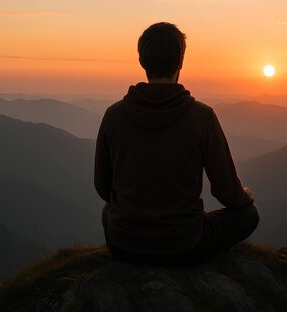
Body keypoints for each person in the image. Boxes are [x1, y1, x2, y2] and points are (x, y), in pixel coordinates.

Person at [94, 22, 259, 267]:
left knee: (108, 212)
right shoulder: (202, 117)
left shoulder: (114, 115)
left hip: (124, 245)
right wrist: (245, 196)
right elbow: (227, 192)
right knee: (249, 215)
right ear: (180, 61)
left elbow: (103, 187)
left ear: (142, 61)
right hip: (184, 246)